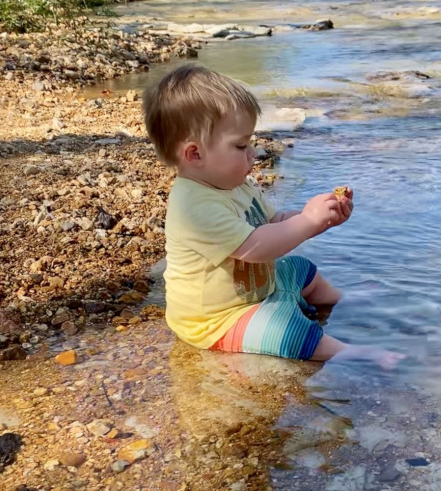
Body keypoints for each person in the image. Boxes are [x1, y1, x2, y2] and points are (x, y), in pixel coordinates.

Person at [143, 65, 401, 365]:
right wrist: (308, 222)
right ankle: (352, 354)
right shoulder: (193, 206)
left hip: (257, 290)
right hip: (217, 320)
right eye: (240, 145)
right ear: (195, 154)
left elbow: (274, 223)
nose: (253, 153)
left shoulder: (236, 184)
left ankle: (341, 300)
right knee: (289, 332)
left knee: (300, 268)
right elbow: (256, 247)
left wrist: (318, 218)